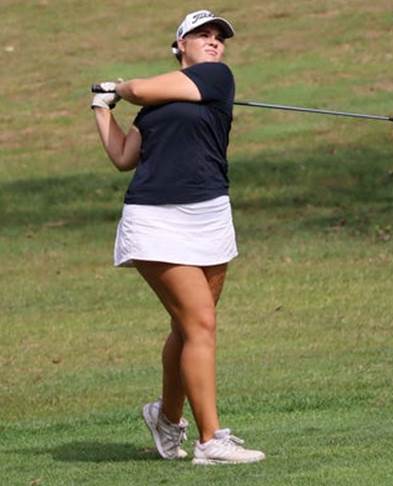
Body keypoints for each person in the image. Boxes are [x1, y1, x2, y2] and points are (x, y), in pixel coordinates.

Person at [91, 9, 265, 465]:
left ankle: (166, 418)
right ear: (179, 45)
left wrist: (121, 88)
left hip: (209, 215)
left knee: (187, 326)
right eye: (201, 35)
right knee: (200, 323)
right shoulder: (154, 108)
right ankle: (211, 441)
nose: (213, 42)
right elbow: (124, 156)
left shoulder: (217, 79)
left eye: (218, 37)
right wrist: (101, 108)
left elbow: (141, 88)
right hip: (154, 219)